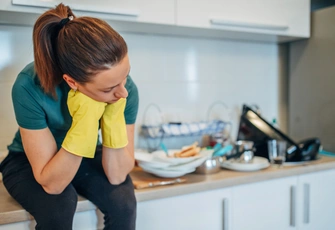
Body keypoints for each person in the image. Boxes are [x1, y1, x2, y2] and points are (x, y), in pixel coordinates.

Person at [0, 3, 138, 230]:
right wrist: (85, 121)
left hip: (88, 153)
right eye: (108, 89)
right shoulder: (28, 85)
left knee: (123, 203)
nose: (123, 92)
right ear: (72, 82)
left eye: (125, 77)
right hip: (28, 160)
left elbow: (116, 175)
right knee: (59, 206)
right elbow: (53, 184)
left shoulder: (123, 89)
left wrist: (112, 115)